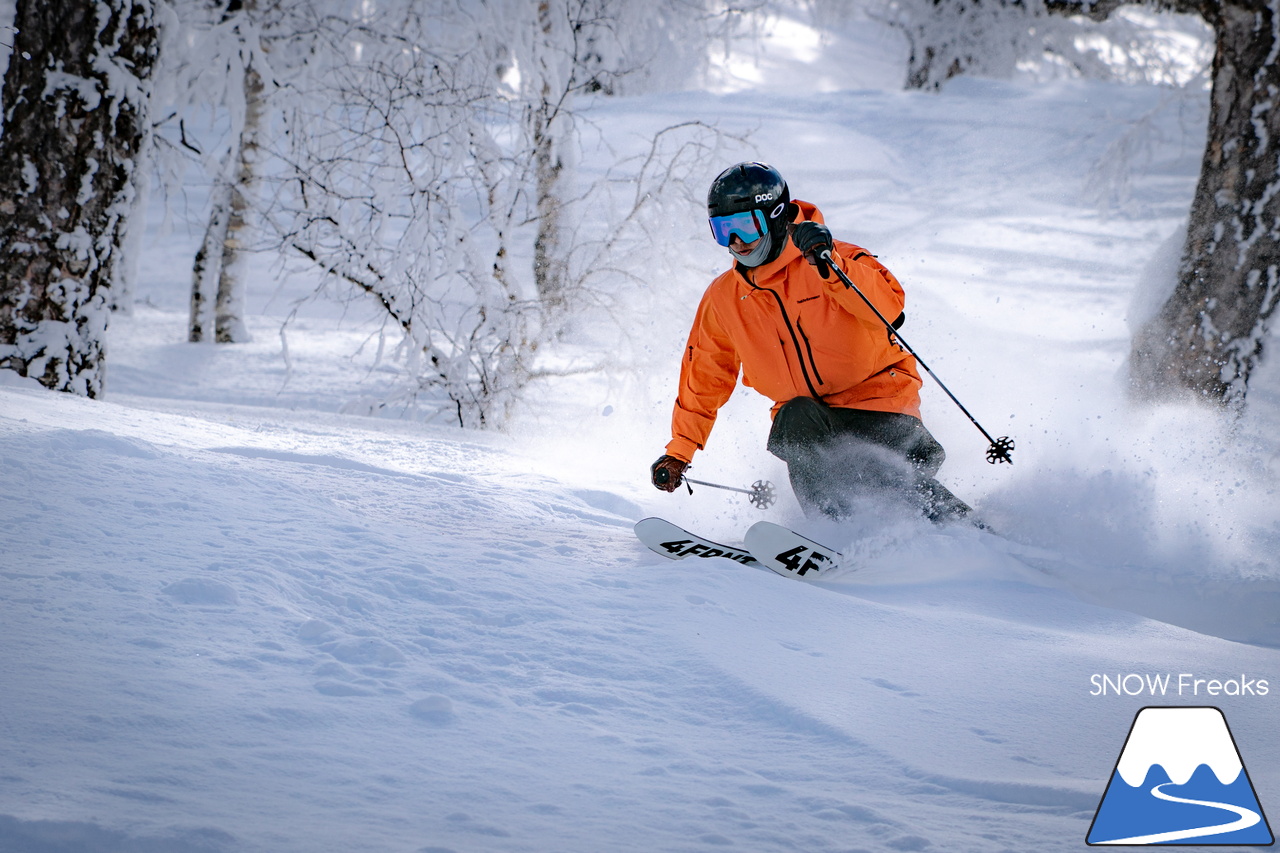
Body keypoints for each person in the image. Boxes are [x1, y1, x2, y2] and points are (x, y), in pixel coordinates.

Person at [650, 161, 971, 523]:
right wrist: (680, 451)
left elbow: (890, 309)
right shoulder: (724, 298)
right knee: (794, 418)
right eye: (723, 230)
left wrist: (829, 264)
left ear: (775, 217)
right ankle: (834, 532)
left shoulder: (834, 258)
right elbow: (704, 377)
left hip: (881, 408)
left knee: (877, 471)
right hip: (810, 424)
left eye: (744, 226)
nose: (735, 242)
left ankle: (959, 526)